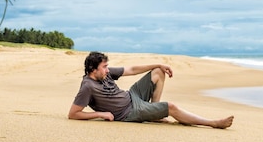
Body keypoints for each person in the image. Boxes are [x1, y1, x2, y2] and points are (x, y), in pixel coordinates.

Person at [68, 51, 234, 129]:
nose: (107, 69)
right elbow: (73, 114)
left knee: (158, 72)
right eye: (104, 67)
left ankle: (156, 114)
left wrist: (157, 64)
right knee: (171, 107)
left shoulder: (106, 74)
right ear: (92, 68)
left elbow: (131, 69)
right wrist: (100, 114)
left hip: (132, 95)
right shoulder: (88, 86)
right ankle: (213, 123)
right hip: (131, 111)